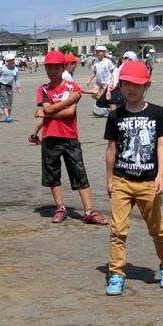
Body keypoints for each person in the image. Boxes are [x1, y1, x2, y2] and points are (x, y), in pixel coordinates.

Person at [103, 60, 163, 296]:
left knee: (158, 229)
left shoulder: (157, 113)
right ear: (120, 86)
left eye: (136, 84)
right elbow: (111, 149)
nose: (131, 89)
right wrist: (109, 179)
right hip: (122, 181)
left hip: (148, 182)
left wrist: (161, 175)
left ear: (147, 85)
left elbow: (162, 144)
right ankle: (116, 273)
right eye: (126, 84)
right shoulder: (115, 116)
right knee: (117, 230)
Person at [37, 51, 108, 226]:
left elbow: (68, 112)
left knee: (79, 173)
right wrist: (68, 101)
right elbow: (48, 108)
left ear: (63, 68)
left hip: (69, 136)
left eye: (56, 68)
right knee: (53, 174)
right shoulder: (43, 89)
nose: (52, 71)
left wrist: (48, 112)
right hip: (49, 136)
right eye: (49, 68)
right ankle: (60, 208)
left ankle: (89, 210)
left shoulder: (72, 87)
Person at [0, 53, 22, 123]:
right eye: (10, 60)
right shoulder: (2, 68)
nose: (12, 61)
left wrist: (18, 87)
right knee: (5, 102)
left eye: (13, 59)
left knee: (10, 103)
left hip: (9, 87)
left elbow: (17, 79)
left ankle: (8, 116)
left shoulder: (16, 69)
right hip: (1, 86)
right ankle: (7, 116)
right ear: (7, 61)